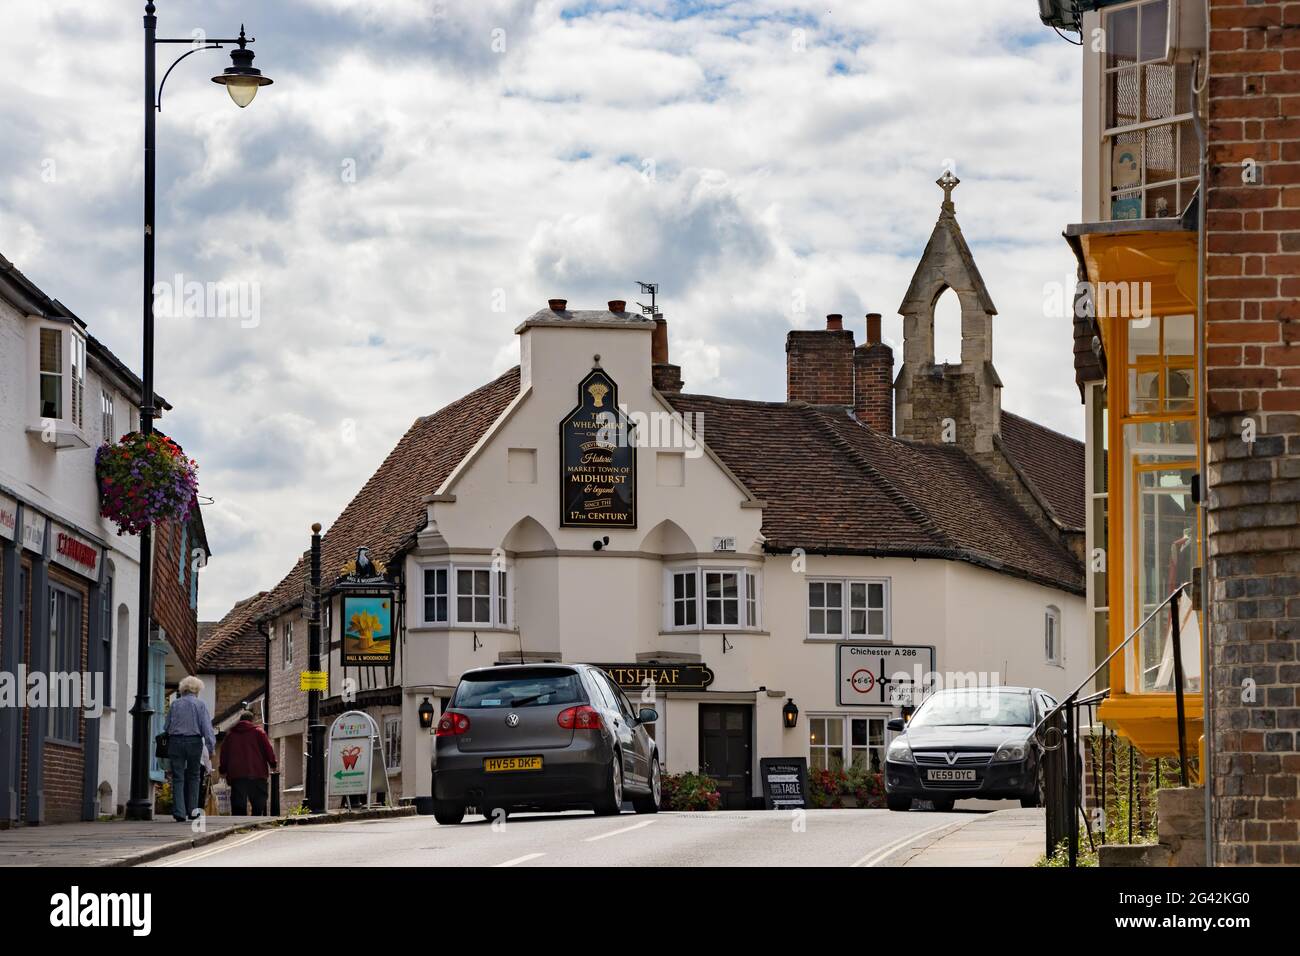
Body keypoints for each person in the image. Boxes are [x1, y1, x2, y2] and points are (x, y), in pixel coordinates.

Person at [166, 675, 216, 822]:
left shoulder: (175, 704)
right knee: (194, 776)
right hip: (194, 742)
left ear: (183, 689)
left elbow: (167, 726)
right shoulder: (200, 705)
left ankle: (179, 812)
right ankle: (193, 811)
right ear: (197, 690)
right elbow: (206, 728)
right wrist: (210, 746)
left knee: (178, 777)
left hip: (175, 741)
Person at [220, 710, 278, 815]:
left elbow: (224, 754)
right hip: (257, 772)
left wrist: (223, 770)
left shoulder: (230, 735)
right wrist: (273, 764)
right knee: (258, 801)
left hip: (237, 774)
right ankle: (255, 820)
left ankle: (240, 823)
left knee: (238, 802)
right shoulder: (259, 732)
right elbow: (268, 749)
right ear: (252, 720)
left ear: (240, 720)